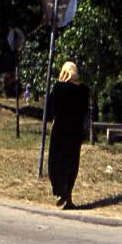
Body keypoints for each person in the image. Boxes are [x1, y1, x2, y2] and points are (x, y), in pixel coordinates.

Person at [47, 61, 90, 210]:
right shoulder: (84, 90)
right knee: (72, 163)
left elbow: (50, 109)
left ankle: (61, 192)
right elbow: (85, 111)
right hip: (75, 131)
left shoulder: (59, 87)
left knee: (56, 161)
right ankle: (68, 195)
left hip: (60, 130)